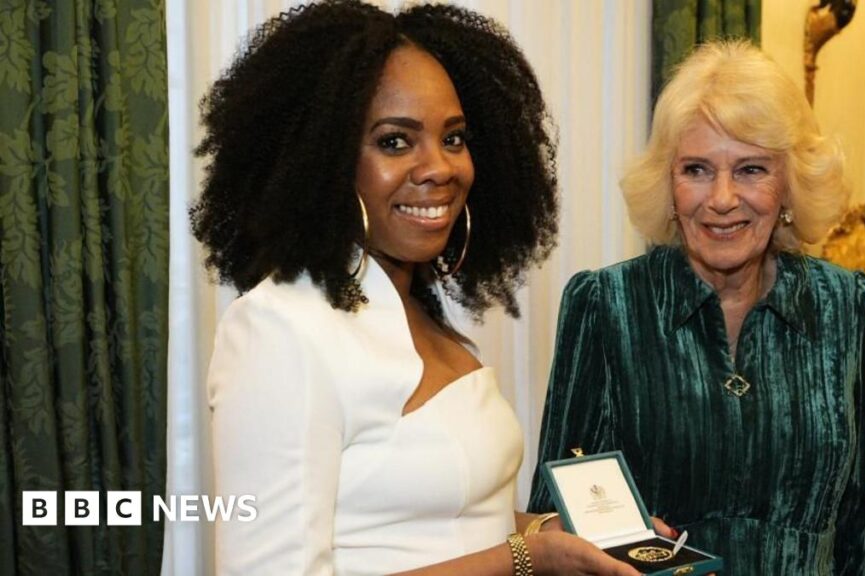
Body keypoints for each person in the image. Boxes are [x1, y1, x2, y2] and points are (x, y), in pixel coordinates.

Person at [191, 1, 650, 574]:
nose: (440, 167)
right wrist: (524, 558)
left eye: (453, 138)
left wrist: (558, 531)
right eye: (394, 141)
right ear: (324, 158)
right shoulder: (280, 328)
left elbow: (440, 519)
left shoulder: (418, 313)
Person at [529, 40, 865, 574]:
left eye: (750, 170)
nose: (720, 198)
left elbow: (859, 522)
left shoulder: (844, 305)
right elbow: (551, 521)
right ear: (667, 184)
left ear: (789, 184)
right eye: (695, 169)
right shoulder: (605, 306)